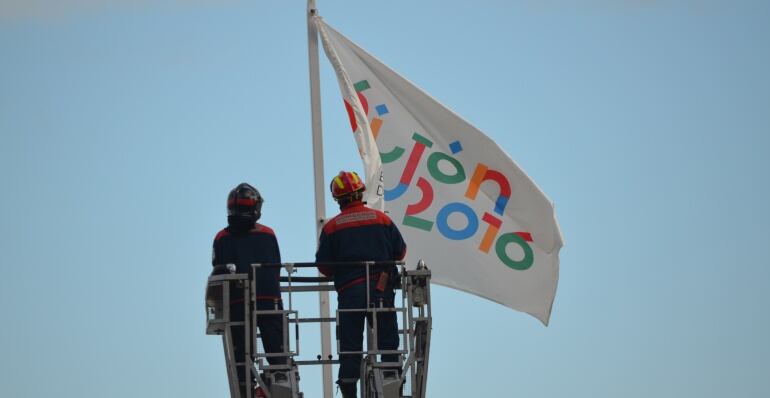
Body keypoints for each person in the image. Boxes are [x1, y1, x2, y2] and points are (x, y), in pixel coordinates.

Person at [315, 171, 407, 398]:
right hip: (381, 290)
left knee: (350, 344)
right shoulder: (382, 219)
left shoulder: (331, 228)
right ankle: (391, 381)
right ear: (360, 192)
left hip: (350, 293)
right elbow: (401, 252)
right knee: (387, 339)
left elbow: (324, 268)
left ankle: (348, 389)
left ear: (338, 199)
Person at [211, 183, 287, 396]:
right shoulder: (268, 234)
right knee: (278, 355)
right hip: (269, 304)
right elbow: (276, 267)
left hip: (237, 306)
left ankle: (247, 389)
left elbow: (217, 269)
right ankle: (280, 380)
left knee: (241, 358)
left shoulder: (221, 238)